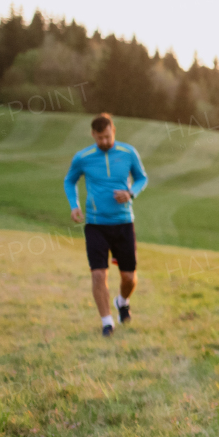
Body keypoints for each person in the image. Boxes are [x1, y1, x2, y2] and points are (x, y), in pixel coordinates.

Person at [63, 113, 148, 336]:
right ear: (93, 135)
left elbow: (142, 178)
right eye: (99, 138)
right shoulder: (83, 157)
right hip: (95, 224)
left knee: (129, 277)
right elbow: (69, 180)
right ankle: (107, 322)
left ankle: (122, 301)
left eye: (107, 137)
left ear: (114, 131)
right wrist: (74, 205)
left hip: (123, 222)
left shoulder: (128, 152)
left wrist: (131, 193)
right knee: (98, 274)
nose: (104, 142)